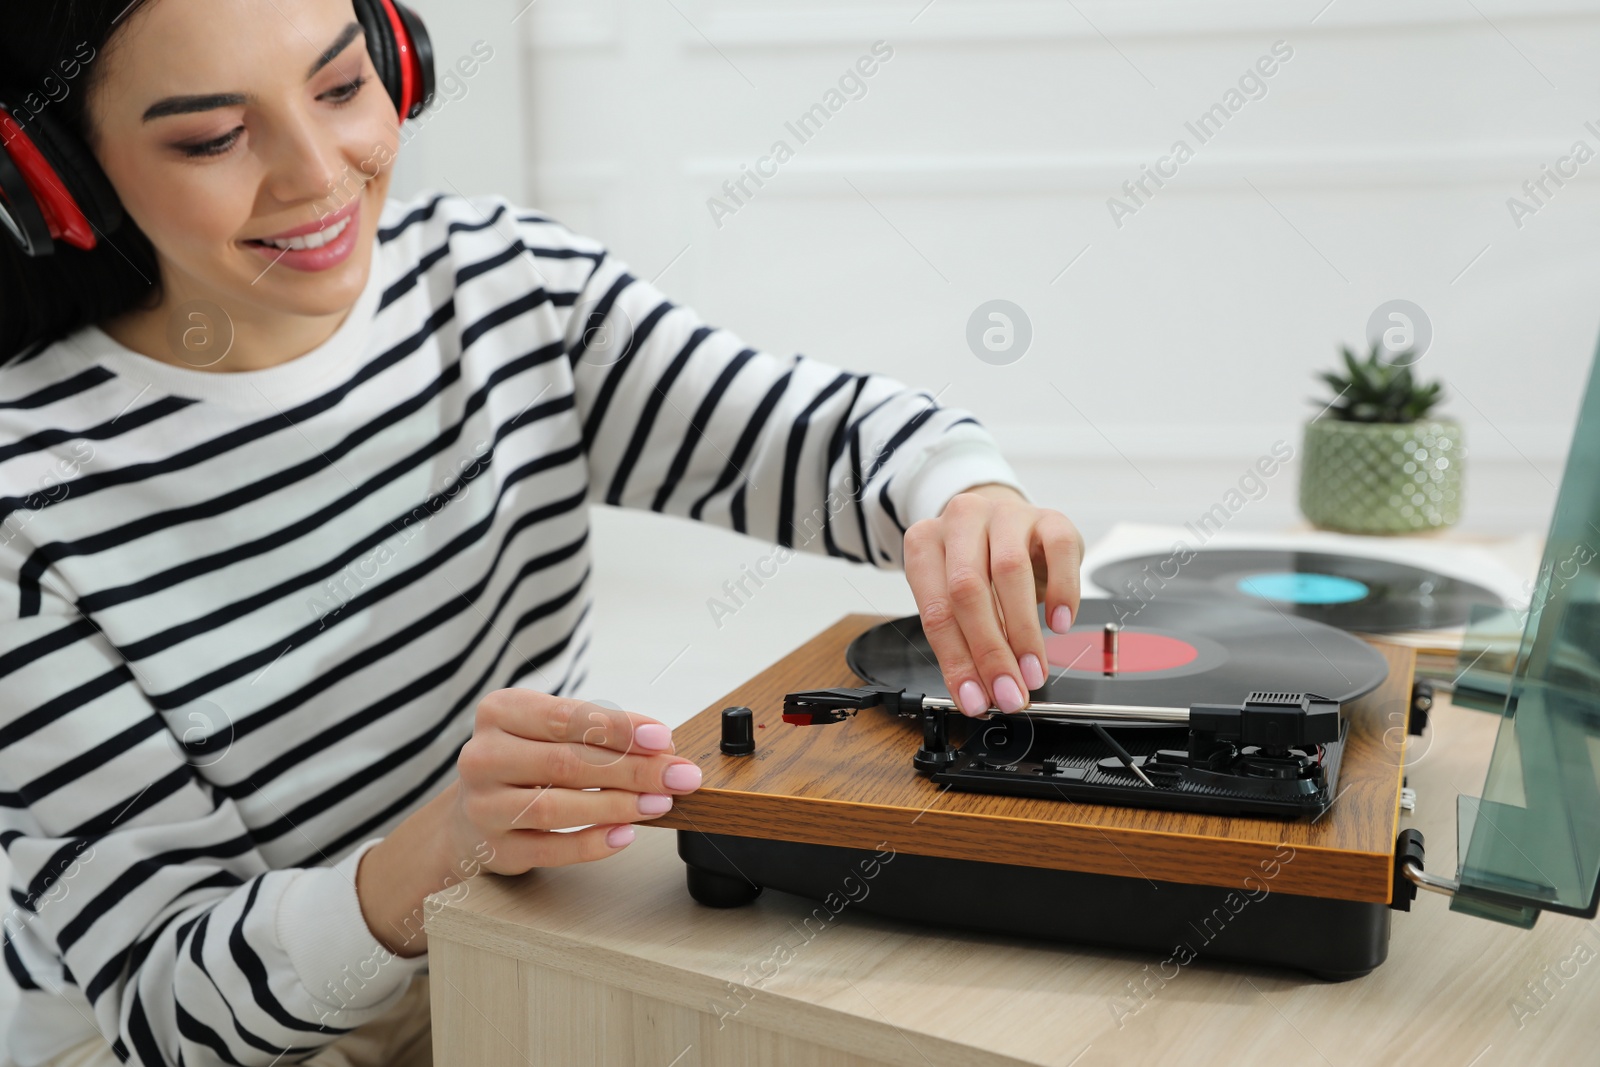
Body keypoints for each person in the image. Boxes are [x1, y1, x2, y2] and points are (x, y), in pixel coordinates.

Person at [0, 1, 1083, 1064]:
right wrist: (437, 853)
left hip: (493, 928)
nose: (317, 174)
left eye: (340, 87)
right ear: (60, 180)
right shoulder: (26, 501)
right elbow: (163, 1003)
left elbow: (812, 438)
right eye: (214, 138)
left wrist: (960, 496)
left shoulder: (501, 285)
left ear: (396, 61)